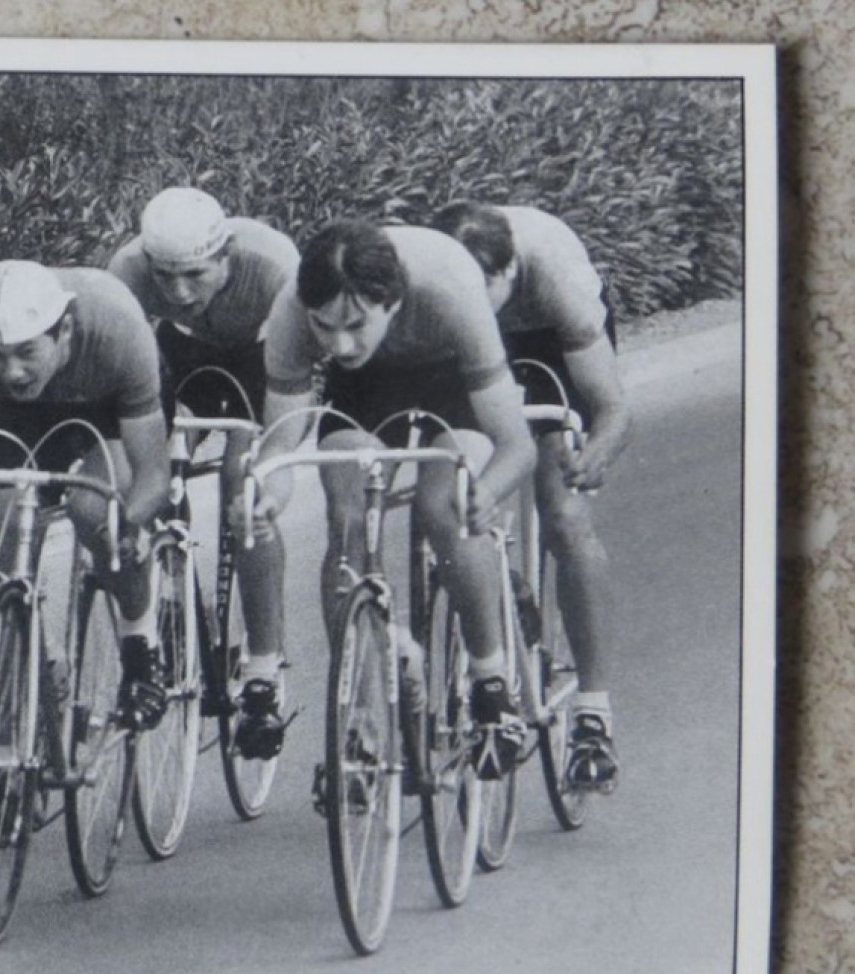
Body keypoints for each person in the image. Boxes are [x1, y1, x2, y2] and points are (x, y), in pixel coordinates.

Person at [252, 219, 537, 780]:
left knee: (445, 506)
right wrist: (266, 493)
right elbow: (281, 445)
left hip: (451, 376)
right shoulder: (291, 313)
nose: (339, 343)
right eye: (324, 326)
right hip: (365, 391)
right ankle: (359, 714)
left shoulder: (449, 291)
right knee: (347, 511)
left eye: (356, 325)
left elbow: (515, 445)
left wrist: (486, 493)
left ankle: (492, 682)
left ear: (394, 299)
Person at [0, 260, 172, 730]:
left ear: (63, 330)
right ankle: (31, 663)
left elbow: (152, 475)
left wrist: (132, 524)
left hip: (113, 413)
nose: (12, 371)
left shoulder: (120, 331)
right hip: (29, 416)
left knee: (94, 512)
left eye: (25, 352)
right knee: (0, 525)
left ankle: (140, 643)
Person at [429, 201, 631, 791]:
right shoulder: (444, 285)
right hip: (466, 343)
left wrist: (596, 452)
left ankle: (593, 714)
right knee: (447, 489)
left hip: (546, 341)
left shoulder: (554, 281)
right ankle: (496, 581)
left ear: (508, 271)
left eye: (481, 286)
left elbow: (613, 408)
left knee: (564, 515)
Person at [107, 187, 301, 760]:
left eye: (194, 274)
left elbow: (292, 382)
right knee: (149, 472)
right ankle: (168, 583)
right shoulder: (127, 271)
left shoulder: (274, 266)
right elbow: (124, 375)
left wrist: (267, 467)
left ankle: (263, 669)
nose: (178, 291)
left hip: (259, 359)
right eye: (164, 277)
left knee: (246, 487)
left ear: (226, 257)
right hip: (175, 355)